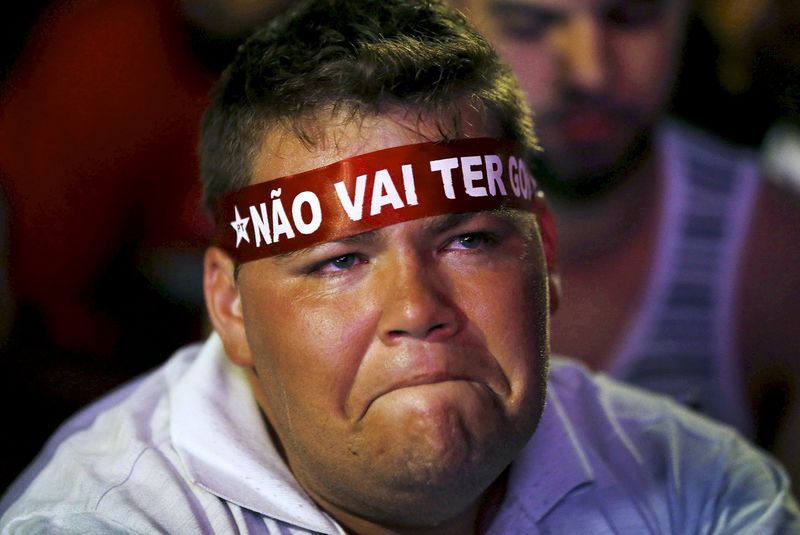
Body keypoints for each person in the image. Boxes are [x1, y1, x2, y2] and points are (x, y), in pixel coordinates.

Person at [2, 0, 798, 532]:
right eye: (340, 259)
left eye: (469, 240)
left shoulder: (704, 486)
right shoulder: (100, 519)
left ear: (543, 253)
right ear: (232, 305)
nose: (418, 307)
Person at [452, 0, 800, 481]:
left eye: (632, 17)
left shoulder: (773, 255)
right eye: (529, 24)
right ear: (447, 19)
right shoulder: (356, 240)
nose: (590, 72)